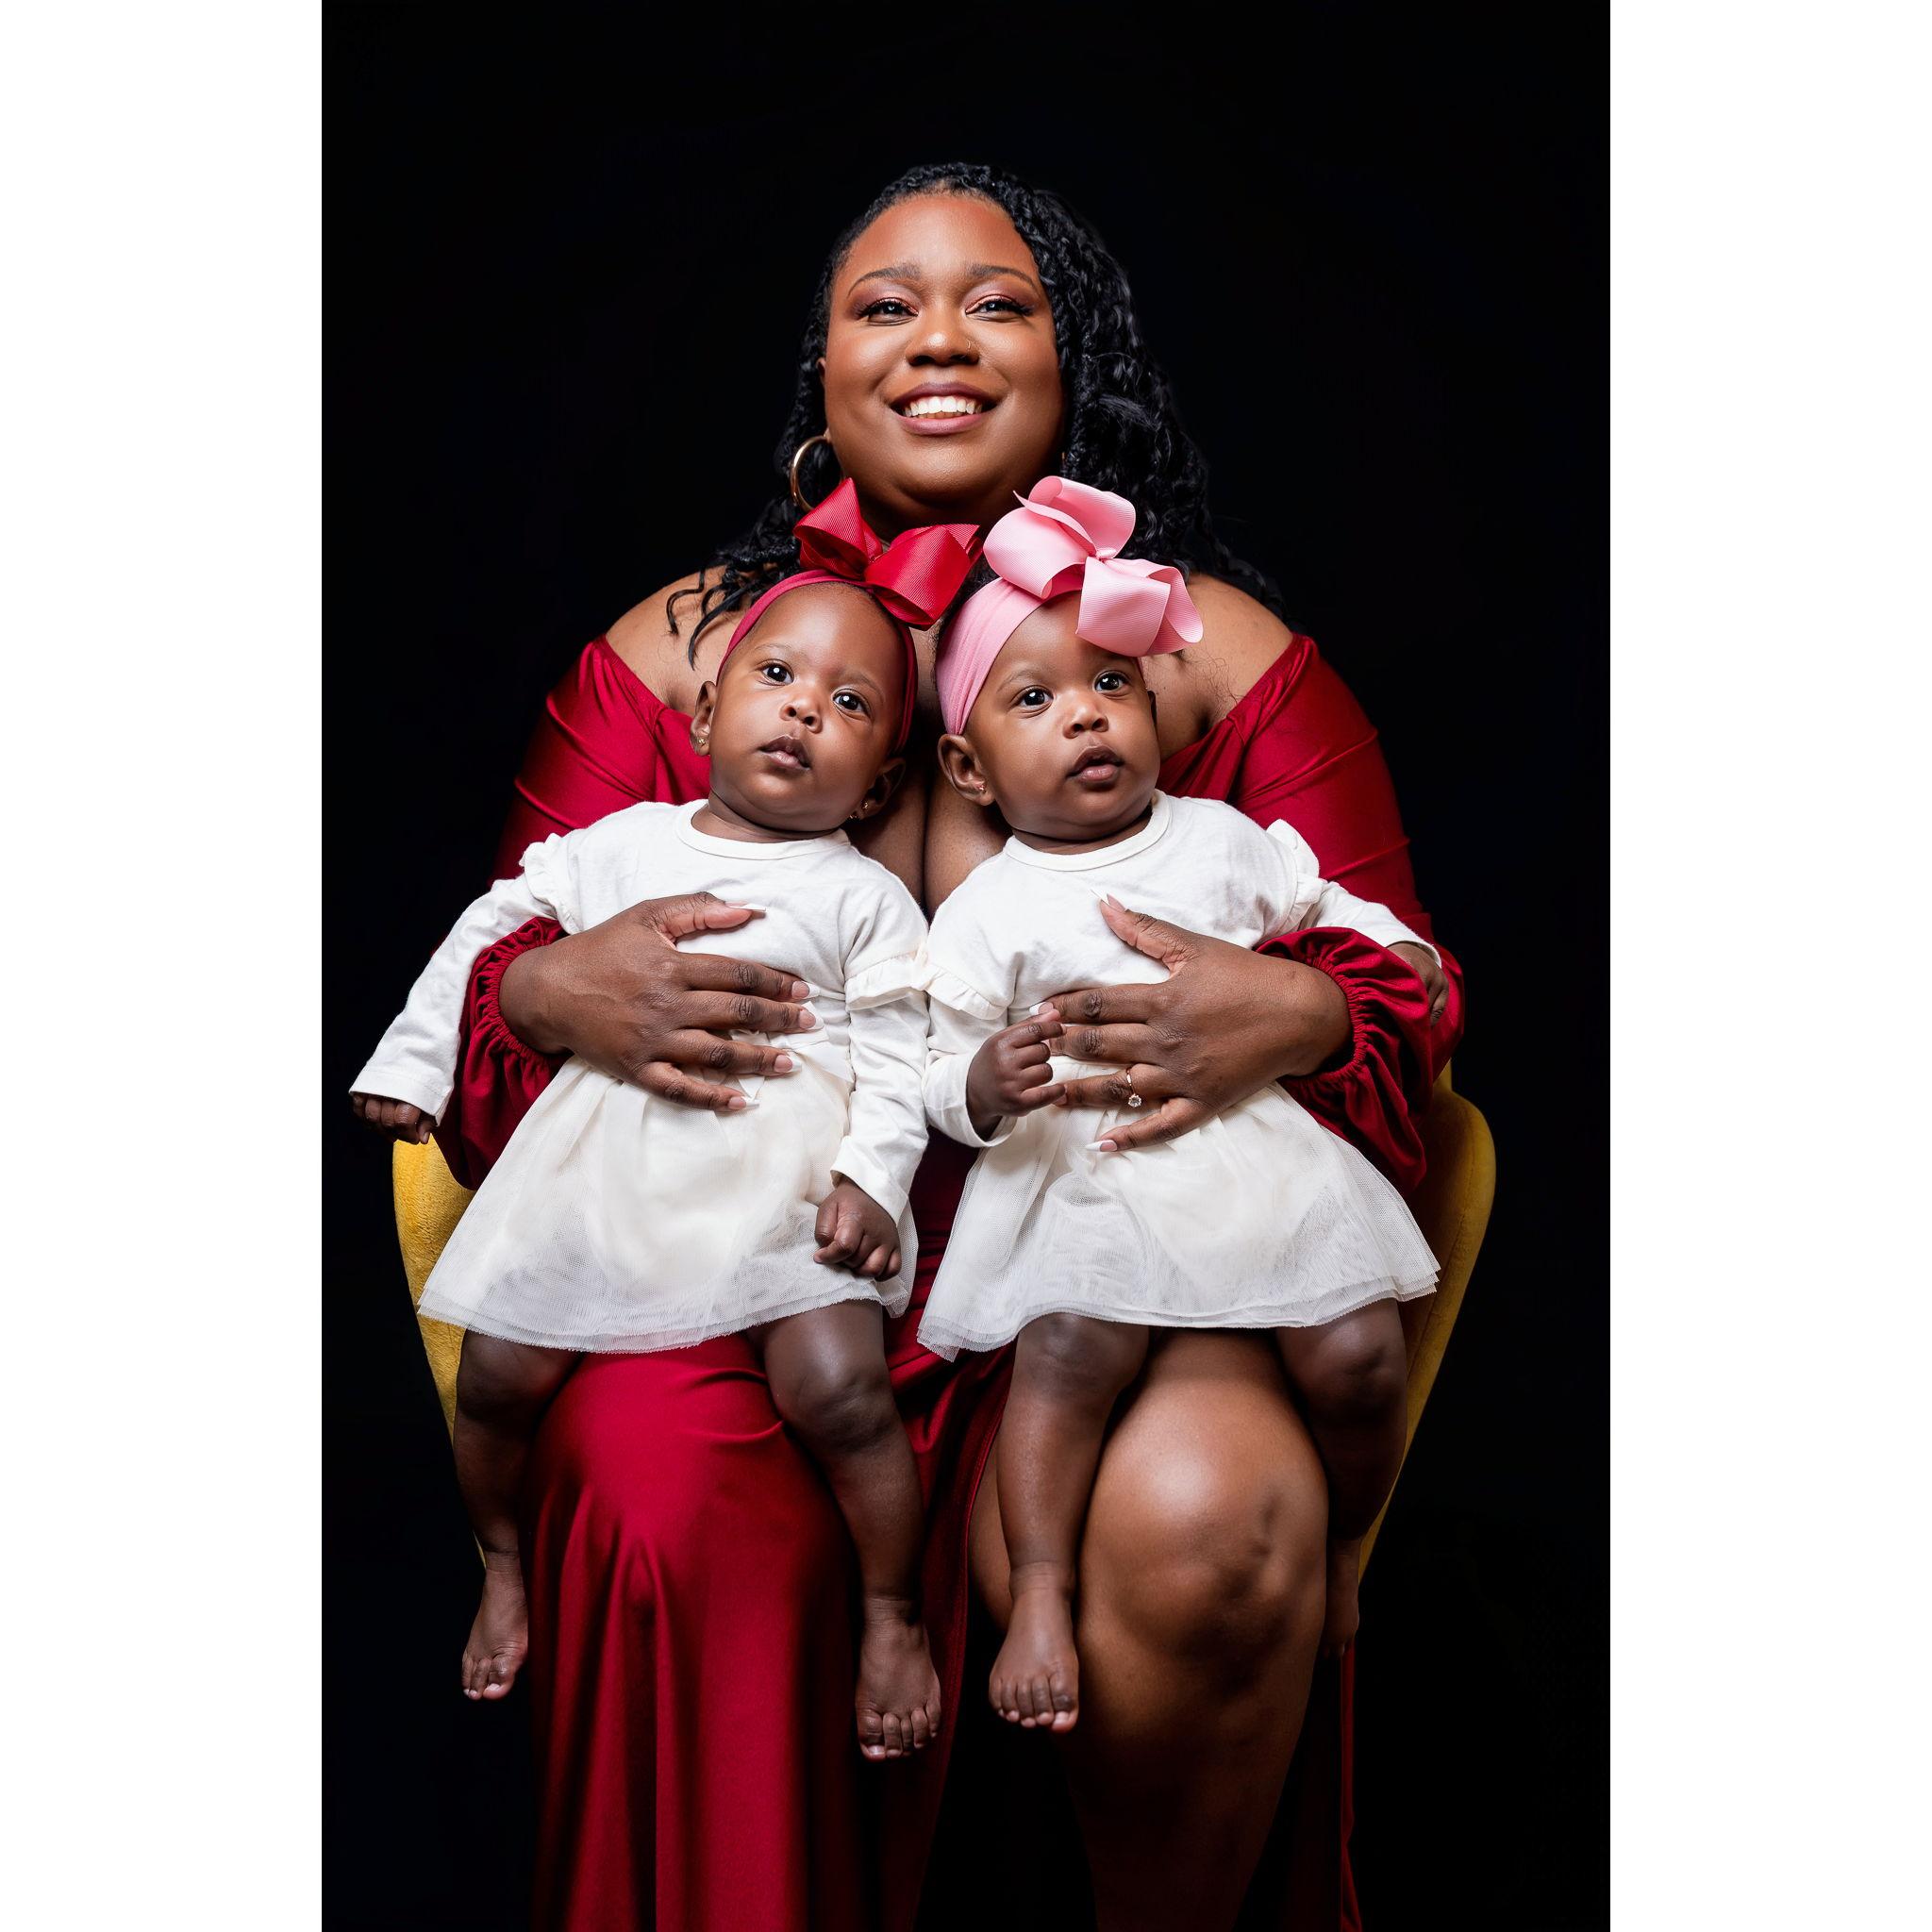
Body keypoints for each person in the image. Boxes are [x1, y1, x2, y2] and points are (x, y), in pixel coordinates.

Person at [419, 162, 1463, 1930]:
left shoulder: (1214, 654)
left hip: (1119, 1249)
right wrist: (542, 993)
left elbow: (1406, 990)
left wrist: (1298, 1009)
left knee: (1210, 1516)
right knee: (657, 1496)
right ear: (822, 367)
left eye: (999, 303)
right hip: (740, 1254)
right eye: (884, 306)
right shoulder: (670, 654)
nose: (939, 342)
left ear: (1076, 360)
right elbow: (498, 968)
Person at [353, 501, 977, 1757]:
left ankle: (892, 1611)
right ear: (702, 719)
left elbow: (905, 1054)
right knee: (500, 1378)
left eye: (851, 704)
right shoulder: (617, 848)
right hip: (612, 1181)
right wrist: (416, 1062)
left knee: (839, 1388)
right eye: (777, 676)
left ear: (883, 782)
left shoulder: (865, 899)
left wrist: (868, 1181)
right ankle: (503, 1562)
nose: (804, 711)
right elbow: (490, 930)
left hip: (781, 1187)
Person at [918, 478, 1445, 1738]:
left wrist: (1398, 954)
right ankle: (1043, 1592)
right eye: (1034, 701)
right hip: (1091, 1167)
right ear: (967, 768)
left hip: (1247, 1159)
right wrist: (983, 1084)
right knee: (1069, 1351)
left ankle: (1344, 1547)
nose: (1085, 715)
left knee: (1358, 1353)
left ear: (1155, 708)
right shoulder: (987, 909)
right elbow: (935, 1067)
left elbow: (1329, 910)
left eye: (1113, 684)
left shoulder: (1221, 839)